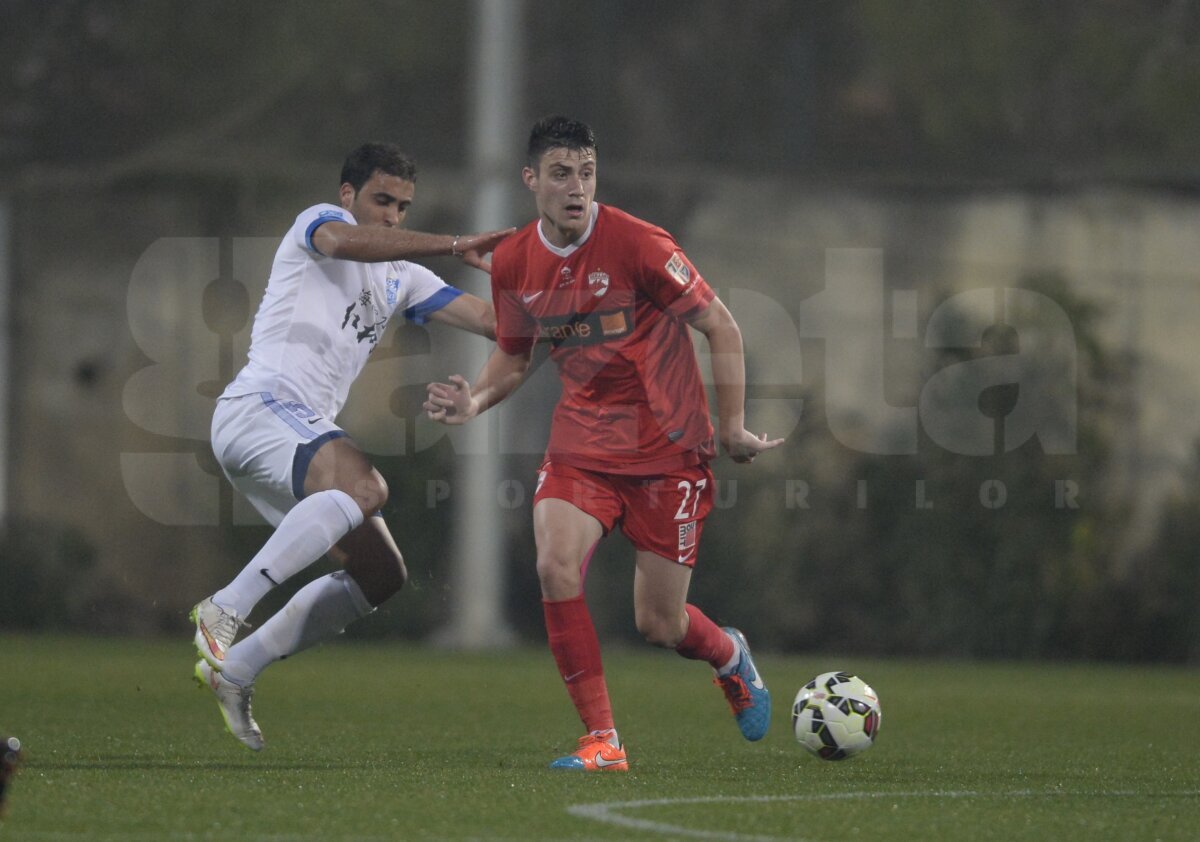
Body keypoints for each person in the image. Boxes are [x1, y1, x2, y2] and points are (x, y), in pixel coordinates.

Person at [424, 116, 784, 771]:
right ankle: (603, 742)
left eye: (587, 172)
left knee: (659, 624)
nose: (577, 187)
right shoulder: (512, 261)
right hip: (581, 447)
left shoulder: (639, 244)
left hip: (670, 453)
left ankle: (729, 655)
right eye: (562, 173)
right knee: (555, 564)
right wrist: (472, 400)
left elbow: (721, 326)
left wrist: (730, 428)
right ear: (531, 179)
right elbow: (512, 357)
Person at [191, 142, 512, 751]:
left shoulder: (405, 277)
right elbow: (345, 244)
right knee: (365, 488)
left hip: (291, 437)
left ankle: (236, 670)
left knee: (380, 573)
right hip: (260, 408)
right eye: (381, 200)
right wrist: (451, 243)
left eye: (402, 206)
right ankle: (224, 609)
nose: (392, 215)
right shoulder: (317, 223)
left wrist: (575, 312)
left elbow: (495, 322)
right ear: (347, 196)